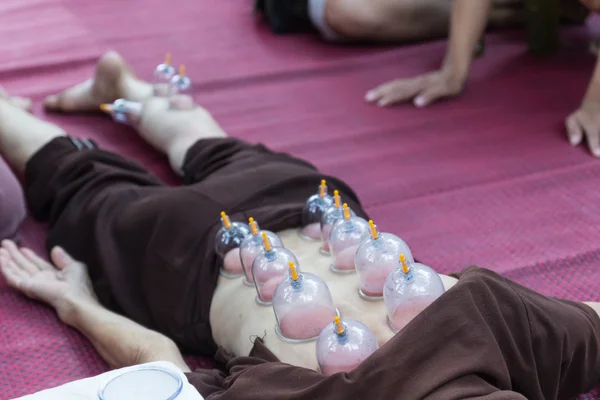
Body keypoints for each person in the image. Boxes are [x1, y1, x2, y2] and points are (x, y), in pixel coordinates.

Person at [1, 52, 600, 399]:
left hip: (306, 203)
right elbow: (164, 369)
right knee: (80, 177)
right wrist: (76, 301)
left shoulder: (491, 315)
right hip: (183, 256)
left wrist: (74, 300)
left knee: (206, 144)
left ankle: (128, 90)